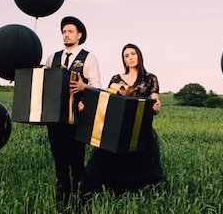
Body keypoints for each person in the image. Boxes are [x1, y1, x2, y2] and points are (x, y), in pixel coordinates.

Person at [79, 43, 166, 195]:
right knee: (109, 164)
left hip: (139, 129)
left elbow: (155, 101)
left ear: (139, 55)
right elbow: (105, 102)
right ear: (124, 60)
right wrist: (85, 105)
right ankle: (112, 193)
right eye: (126, 56)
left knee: (139, 166)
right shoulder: (116, 79)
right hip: (117, 129)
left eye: (133, 54)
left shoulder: (151, 78)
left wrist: (156, 106)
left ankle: (134, 195)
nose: (130, 57)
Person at [44, 16, 101, 205]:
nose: (66, 35)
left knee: (76, 161)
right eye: (64, 32)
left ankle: (81, 200)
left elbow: (97, 86)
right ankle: (62, 200)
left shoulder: (88, 57)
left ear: (79, 35)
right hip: (55, 117)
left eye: (70, 31)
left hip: (77, 117)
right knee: (59, 162)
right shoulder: (53, 57)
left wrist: (84, 87)